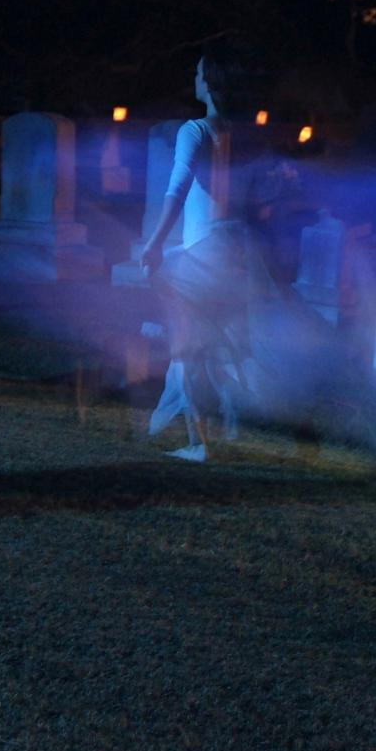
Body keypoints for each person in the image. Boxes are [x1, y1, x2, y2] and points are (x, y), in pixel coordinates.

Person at [140, 42, 325, 461]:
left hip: (203, 253)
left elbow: (178, 187)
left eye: (198, 73)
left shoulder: (196, 130)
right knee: (223, 344)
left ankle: (199, 443)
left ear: (209, 82)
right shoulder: (243, 136)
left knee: (188, 346)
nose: (194, 79)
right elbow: (258, 201)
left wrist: (154, 243)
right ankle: (225, 426)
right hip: (237, 251)